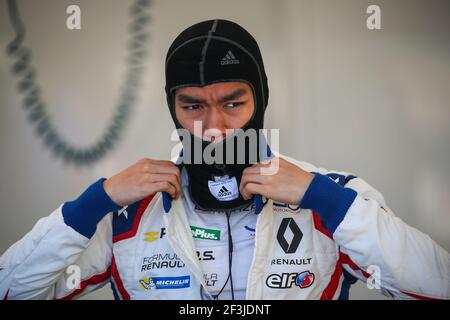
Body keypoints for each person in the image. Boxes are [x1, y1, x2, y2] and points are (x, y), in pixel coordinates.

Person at [0, 19, 449, 300]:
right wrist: (93, 203)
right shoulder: (123, 215)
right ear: (173, 109)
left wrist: (322, 199)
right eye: (193, 106)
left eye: (233, 103)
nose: (214, 126)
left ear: (262, 99)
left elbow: (438, 285)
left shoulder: (334, 197)